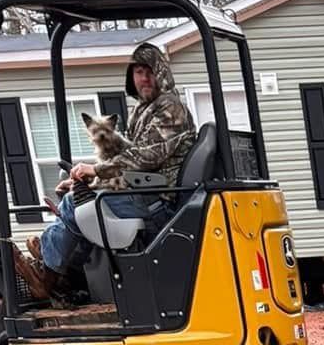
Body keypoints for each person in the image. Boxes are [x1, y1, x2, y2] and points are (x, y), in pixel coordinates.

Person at [13, 41, 195, 301]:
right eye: (137, 72)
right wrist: (92, 181)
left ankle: (48, 275)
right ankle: (64, 277)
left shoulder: (170, 108)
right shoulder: (144, 110)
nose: (143, 78)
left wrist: (96, 170)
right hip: (146, 189)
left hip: (160, 199)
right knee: (83, 202)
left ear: (161, 73)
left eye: (149, 71)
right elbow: (131, 164)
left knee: (74, 205)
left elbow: (145, 157)